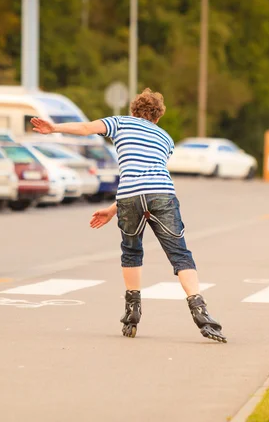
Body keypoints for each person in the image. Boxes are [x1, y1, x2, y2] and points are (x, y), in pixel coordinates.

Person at [30, 89, 226, 342]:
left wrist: (54, 127)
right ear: (157, 117)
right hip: (162, 193)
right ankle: (200, 310)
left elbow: (87, 128)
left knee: (132, 251)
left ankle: (132, 312)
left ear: (133, 110)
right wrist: (113, 210)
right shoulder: (165, 138)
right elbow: (150, 175)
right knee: (180, 253)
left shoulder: (119, 123)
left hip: (129, 196)